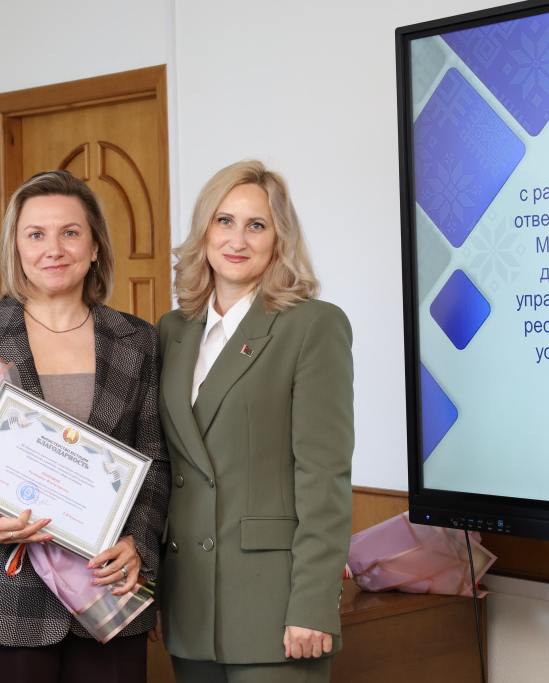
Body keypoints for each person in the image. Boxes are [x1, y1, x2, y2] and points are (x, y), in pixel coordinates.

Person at [0, 170, 169, 683]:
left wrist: (139, 545)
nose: (53, 249)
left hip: (108, 591)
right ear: (16, 247)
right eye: (36, 234)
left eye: (70, 232)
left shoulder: (138, 340)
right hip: (4, 596)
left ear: (95, 246)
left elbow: (155, 460)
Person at [155, 160, 354, 682]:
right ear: (204, 231)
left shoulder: (312, 325)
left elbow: (324, 477)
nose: (237, 240)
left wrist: (314, 603)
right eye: (224, 221)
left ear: (279, 238)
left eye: (256, 225)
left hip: (276, 608)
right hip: (190, 603)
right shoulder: (173, 331)